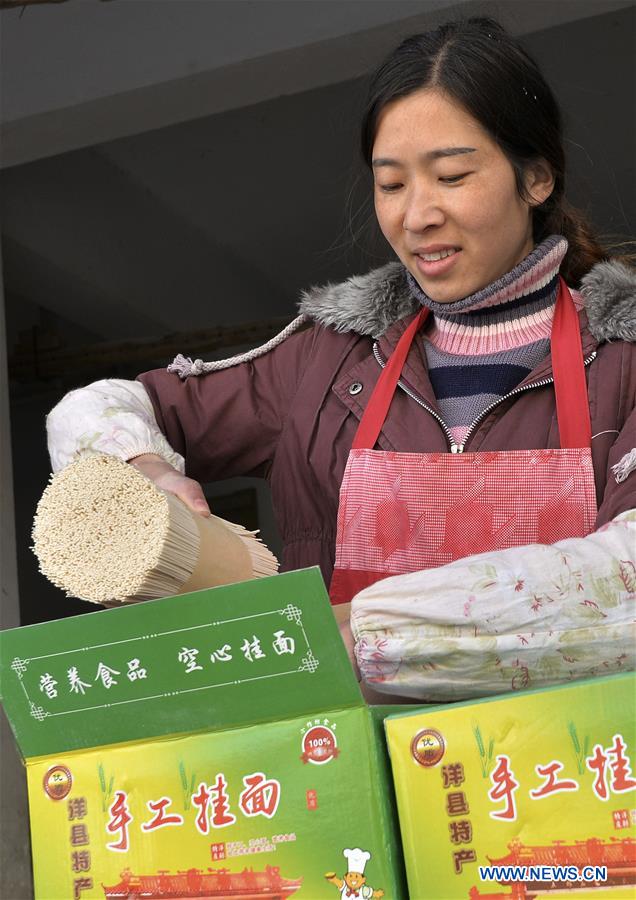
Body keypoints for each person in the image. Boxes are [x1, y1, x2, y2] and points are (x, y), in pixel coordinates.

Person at [47, 18, 635, 700]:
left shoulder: (621, 362)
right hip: (350, 778)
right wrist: (144, 470)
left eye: (451, 175)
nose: (416, 216)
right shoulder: (325, 363)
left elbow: (621, 579)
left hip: (560, 780)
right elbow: (97, 405)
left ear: (536, 178)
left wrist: (357, 633)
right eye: (391, 185)